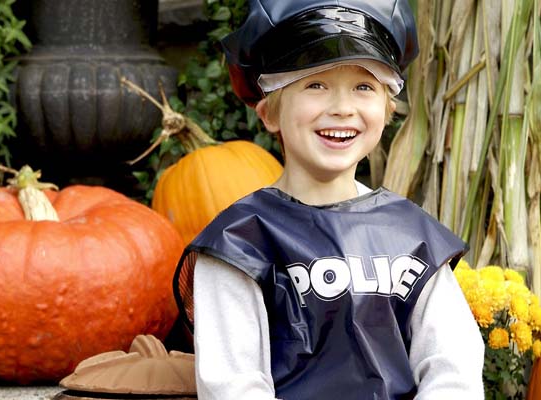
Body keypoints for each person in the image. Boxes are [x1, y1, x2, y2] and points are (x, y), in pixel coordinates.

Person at [173, 1, 485, 399]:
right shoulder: (241, 243)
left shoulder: (413, 236)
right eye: (315, 84)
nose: (342, 108)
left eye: (364, 87)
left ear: (388, 110)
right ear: (269, 113)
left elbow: (452, 366)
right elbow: (234, 384)